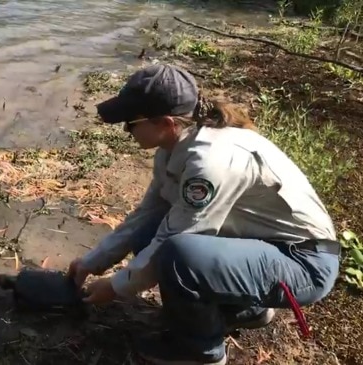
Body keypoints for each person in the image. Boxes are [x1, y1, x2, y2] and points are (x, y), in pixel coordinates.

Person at [66, 63, 340, 365]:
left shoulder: (210, 163)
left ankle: (201, 352)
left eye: (131, 123)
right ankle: (245, 311)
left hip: (303, 263)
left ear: (166, 123)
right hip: (262, 248)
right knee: (151, 234)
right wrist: (93, 262)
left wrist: (116, 287)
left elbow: (178, 238)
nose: (126, 131)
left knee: (180, 253)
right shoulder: (174, 148)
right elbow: (147, 215)